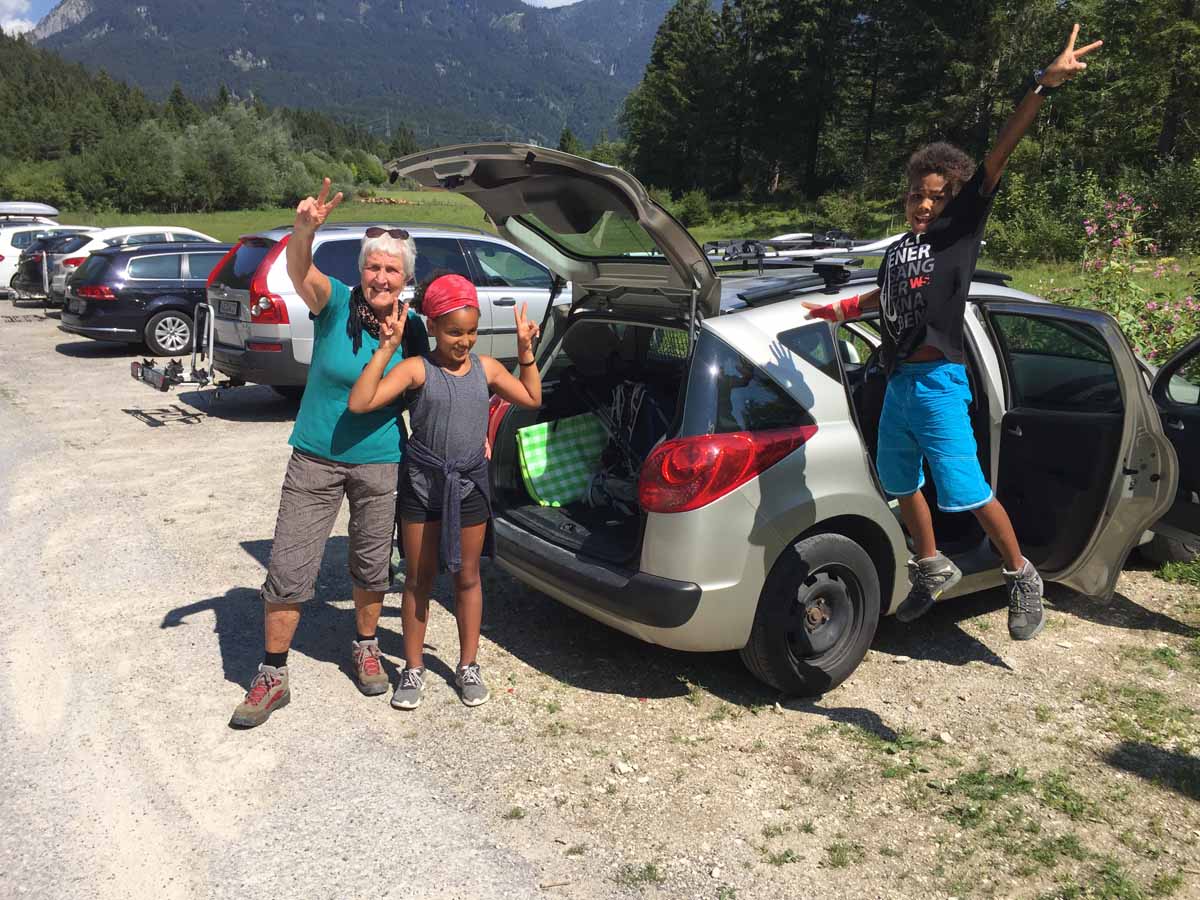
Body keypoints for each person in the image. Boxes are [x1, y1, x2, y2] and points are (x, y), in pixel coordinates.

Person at [805, 26, 1102, 640]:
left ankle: (1021, 574)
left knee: (966, 490)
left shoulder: (956, 235)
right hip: (899, 381)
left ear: (955, 201)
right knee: (899, 482)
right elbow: (887, 298)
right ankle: (931, 564)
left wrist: (1041, 86)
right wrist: (840, 312)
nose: (924, 205)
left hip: (939, 381)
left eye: (936, 198)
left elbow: (998, 155)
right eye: (917, 195)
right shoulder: (900, 250)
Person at [230, 179, 422, 728]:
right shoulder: (335, 302)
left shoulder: (412, 329)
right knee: (289, 563)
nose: (381, 277)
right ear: (361, 271)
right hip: (315, 454)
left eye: (391, 270)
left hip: (381, 458)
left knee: (371, 562)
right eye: (373, 267)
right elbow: (300, 272)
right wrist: (303, 232)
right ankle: (273, 673)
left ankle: (365, 645)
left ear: (406, 278)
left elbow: (429, 384)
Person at [348, 272, 543, 709]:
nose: (465, 341)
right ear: (432, 326)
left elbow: (531, 398)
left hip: (469, 485)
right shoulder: (417, 369)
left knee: (468, 577)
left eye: (471, 332)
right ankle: (413, 668)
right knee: (418, 579)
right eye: (454, 332)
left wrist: (525, 352)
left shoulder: (487, 368)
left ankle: (468, 664)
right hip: (423, 486)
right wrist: (386, 349)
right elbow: (360, 402)